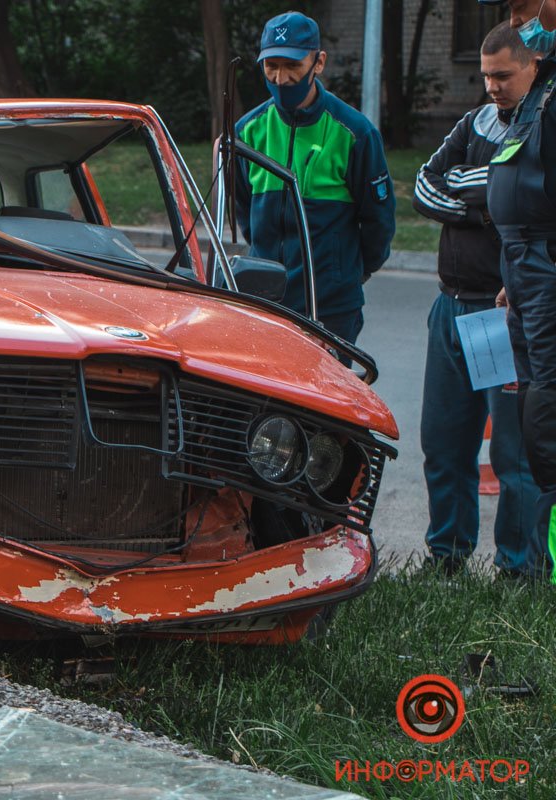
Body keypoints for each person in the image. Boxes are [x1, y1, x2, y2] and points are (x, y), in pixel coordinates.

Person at [413, 22, 543, 578]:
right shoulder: (474, 120)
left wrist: (477, 190)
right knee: (443, 445)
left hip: (500, 314)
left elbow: (518, 188)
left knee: (512, 457)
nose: (492, 86)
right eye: (487, 75)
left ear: (533, 66)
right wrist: (481, 205)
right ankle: (447, 557)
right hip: (449, 304)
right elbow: (423, 185)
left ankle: (519, 570)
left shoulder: (542, 123)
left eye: (503, 75)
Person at [234, 11, 396, 347]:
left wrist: (347, 274)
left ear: (318, 62)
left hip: (330, 307)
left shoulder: (355, 133)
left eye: (292, 65)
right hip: (265, 302)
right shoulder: (247, 132)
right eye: (271, 66)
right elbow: (243, 210)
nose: (281, 78)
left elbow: (378, 221)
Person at [479, 0, 556, 584]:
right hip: (524, 276)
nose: (521, 16)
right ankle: (541, 567)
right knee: (533, 422)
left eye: (527, 6)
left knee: (547, 423)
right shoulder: (534, 101)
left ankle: (546, 569)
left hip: (545, 274)